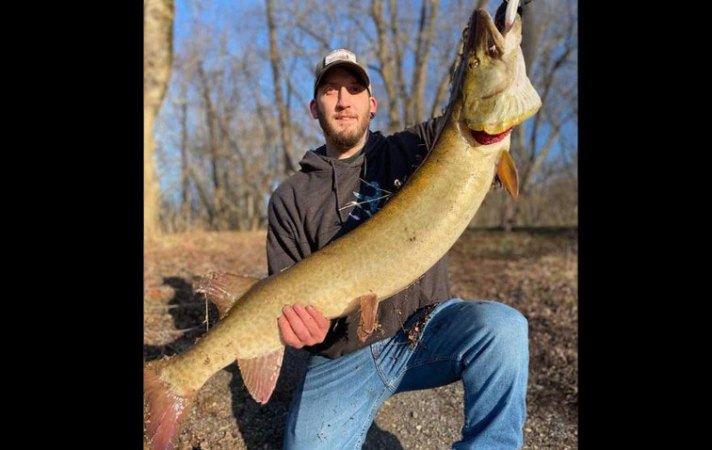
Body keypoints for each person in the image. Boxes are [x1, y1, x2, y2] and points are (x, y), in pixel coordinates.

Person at [266, 48, 529, 450]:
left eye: (354, 89)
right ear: (313, 108)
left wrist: (488, 50)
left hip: (426, 330)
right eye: (330, 91)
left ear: (372, 105)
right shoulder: (290, 198)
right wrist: (302, 330)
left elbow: (473, 103)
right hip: (343, 356)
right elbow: (283, 296)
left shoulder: (417, 147)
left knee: (504, 330)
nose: (342, 100)